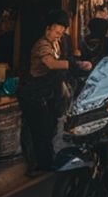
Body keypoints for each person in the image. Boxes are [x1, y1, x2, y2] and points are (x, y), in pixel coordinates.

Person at [20, 10, 91, 175]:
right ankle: (37, 166)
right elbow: (51, 63)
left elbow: (67, 60)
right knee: (39, 131)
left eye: (61, 32)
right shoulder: (42, 45)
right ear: (47, 29)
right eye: (56, 32)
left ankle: (47, 163)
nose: (59, 35)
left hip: (49, 93)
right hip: (34, 94)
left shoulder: (59, 43)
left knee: (50, 129)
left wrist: (80, 64)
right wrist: (73, 66)